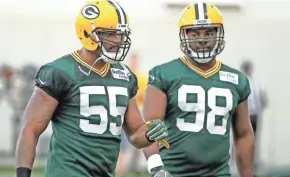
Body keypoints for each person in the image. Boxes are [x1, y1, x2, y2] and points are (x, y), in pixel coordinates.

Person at [15, 1, 168, 177]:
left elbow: (135, 133)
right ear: (87, 33)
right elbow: (30, 128)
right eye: (110, 34)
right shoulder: (61, 71)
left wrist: (150, 132)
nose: (118, 40)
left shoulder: (124, 75)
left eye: (121, 34)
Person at [142, 2, 255, 177]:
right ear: (184, 35)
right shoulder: (164, 74)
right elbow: (150, 128)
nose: (202, 39)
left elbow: (244, 134)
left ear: (219, 34)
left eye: (209, 33)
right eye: (195, 33)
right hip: (173, 173)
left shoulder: (236, 80)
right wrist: (156, 168)